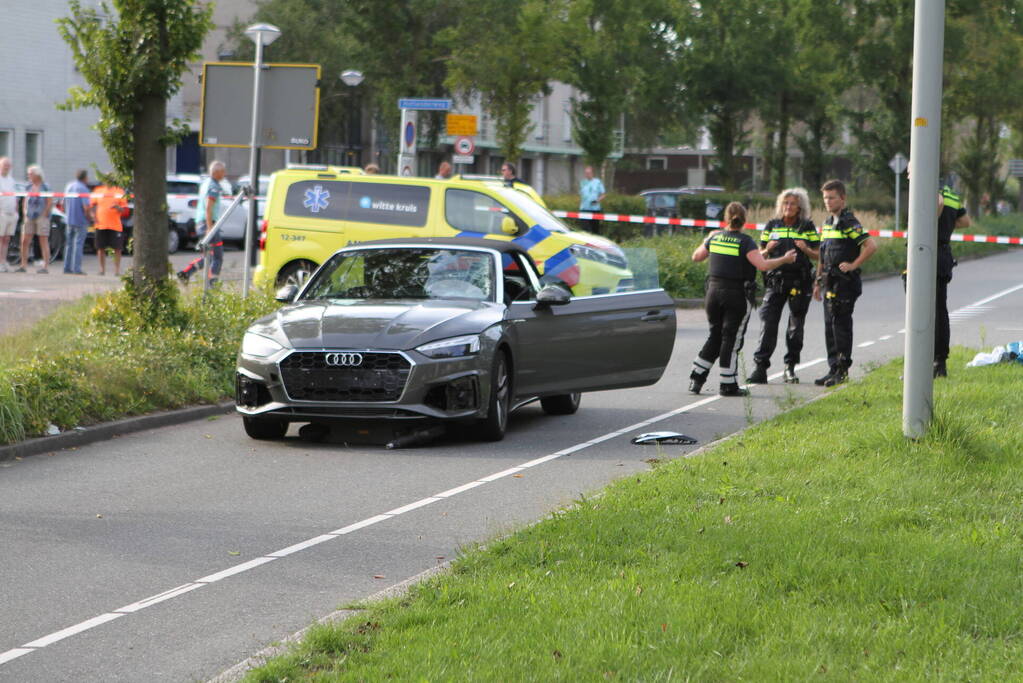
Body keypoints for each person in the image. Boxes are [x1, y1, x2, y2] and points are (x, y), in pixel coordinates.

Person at [689, 202, 797, 397]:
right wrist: (784, 259)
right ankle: (728, 384)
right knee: (731, 338)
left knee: (715, 335)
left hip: (713, 293)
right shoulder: (746, 241)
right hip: (736, 295)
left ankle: (696, 378)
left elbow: (696, 257)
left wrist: (708, 238)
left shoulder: (715, 237)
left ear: (726, 218)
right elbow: (762, 265)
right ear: (745, 220)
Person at [748, 187, 820, 384]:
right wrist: (768, 249)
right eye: (785, 203)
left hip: (800, 281)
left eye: (793, 204)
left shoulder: (807, 226)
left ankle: (790, 367)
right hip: (776, 281)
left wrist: (806, 249)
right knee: (768, 323)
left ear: (800, 207)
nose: (788, 207)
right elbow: (759, 255)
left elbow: (819, 255)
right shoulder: (772, 225)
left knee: (795, 327)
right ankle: (760, 368)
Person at [812, 179, 877, 386]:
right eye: (825, 198)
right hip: (829, 282)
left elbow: (871, 246)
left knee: (841, 327)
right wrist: (817, 281)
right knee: (829, 327)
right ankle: (833, 368)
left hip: (845, 284)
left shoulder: (849, 222)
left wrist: (853, 264)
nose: (828, 202)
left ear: (842, 198)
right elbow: (822, 255)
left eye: (832, 198)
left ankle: (842, 370)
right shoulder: (827, 223)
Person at [932, 185, 970, 377]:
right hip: (943, 253)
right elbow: (965, 221)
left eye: (909, 172)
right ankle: (940, 362)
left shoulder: (928, 187)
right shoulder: (952, 194)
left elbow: (938, 202)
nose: (908, 175)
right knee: (940, 310)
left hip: (930, 252)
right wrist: (946, 225)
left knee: (926, 311)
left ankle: (930, 362)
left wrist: (930, 224)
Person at [177, 160, 227, 284]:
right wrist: (210, 227)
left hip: (200, 223)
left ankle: (186, 273)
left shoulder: (206, 183)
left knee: (209, 257)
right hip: (208, 224)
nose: (224, 174)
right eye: (223, 171)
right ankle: (212, 284)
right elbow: (208, 207)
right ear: (216, 172)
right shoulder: (214, 186)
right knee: (218, 257)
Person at [88, 178, 128, 276]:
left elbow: (125, 209)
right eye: (106, 179)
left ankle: (117, 270)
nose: (108, 181)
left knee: (117, 249)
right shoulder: (98, 191)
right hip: (101, 224)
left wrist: (118, 207)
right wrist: (93, 217)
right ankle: (102, 270)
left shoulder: (119, 191)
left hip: (115, 225)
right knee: (100, 248)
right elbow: (91, 206)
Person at [18, 165, 53, 273]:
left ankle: (45, 266)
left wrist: (45, 213)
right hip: (29, 215)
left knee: (43, 240)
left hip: (41, 215)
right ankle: (23, 265)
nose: (28, 176)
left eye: (30, 174)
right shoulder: (28, 186)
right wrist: (24, 212)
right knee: (25, 240)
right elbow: (25, 200)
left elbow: (49, 201)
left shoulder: (45, 187)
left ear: (37, 175)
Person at [62, 169, 91, 275]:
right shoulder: (83, 189)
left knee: (68, 244)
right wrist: (89, 218)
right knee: (78, 244)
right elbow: (86, 207)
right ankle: (77, 268)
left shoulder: (69, 186)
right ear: (85, 178)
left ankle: (67, 267)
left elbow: (63, 203)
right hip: (80, 220)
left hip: (69, 219)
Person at [578, 165, 606, 235]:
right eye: (586, 173)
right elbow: (581, 194)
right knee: (585, 230)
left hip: (595, 209)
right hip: (584, 209)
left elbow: (603, 194)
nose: (587, 174)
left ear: (592, 173)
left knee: (595, 230)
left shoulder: (598, 182)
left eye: (589, 173)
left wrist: (597, 201)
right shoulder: (582, 182)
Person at [0, 157, 16, 272]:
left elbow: (14, 195)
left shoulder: (11, 180)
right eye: (4, 165)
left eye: (8, 165)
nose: (6, 167)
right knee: (0, 238)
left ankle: (4, 261)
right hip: (2, 212)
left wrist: (16, 211)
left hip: (11, 213)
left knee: (7, 239)